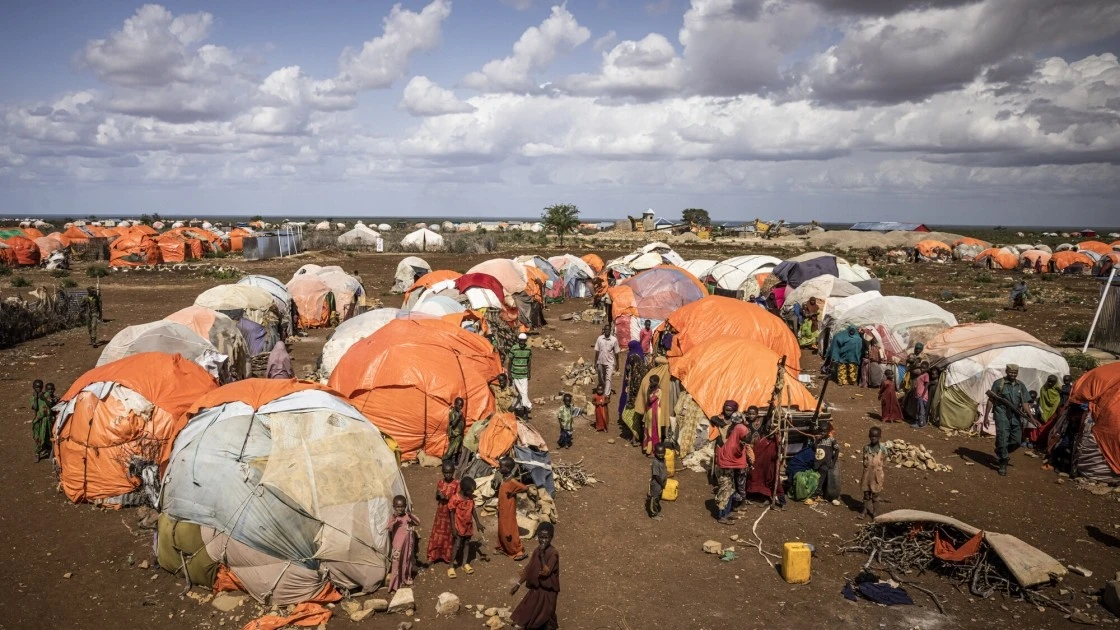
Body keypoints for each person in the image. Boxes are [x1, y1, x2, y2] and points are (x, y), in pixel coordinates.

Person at [510, 522, 560, 630]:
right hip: (537, 589)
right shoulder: (537, 550)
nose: (543, 540)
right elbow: (529, 568)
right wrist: (518, 584)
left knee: (544, 615)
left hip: (548, 591)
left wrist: (542, 555)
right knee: (529, 610)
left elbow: (546, 572)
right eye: (541, 537)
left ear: (551, 537)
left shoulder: (553, 553)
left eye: (546, 538)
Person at [985, 364, 1031, 476]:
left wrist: (1031, 416)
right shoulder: (999, 383)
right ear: (1006, 371)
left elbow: (1025, 402)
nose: (1013, 375)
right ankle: (1003, 461)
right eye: (1011, 372)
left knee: (1017, 440)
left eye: (1015, 373)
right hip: (1001, 413)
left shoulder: (1021, 385)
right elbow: (991, 400)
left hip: (1015, 415)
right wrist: (986, 417)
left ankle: (1000, 450)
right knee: (1003, 436)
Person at [714, 402, 753, 524]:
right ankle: (721, 516)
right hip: (725, 466)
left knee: (731, 489)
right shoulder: (740, 429)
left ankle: (727, 512)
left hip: (726, 465)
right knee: (725, 490)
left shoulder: (735, 431)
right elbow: (748, 438)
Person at [447, 476, 484, 578]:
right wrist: (453, 528)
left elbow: (473, 510)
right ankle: (451, 566)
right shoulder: (456, 498)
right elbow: (451, 513)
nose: (472, 493)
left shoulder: (470, 498)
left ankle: (464, 563)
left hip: (468, 525)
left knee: (467, 543)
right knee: (457, 545)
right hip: (459, 525)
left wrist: (478, 523)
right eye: (470, 491)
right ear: (464, 489)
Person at [494, 456, 530, 561]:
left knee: (510, 530)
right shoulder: (504, 479)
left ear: (508, 469)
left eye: (501, 467)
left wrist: (514, 492)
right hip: (502, 509)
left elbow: (525, 488)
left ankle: (517, 551)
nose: (499, 469)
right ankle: (502, 547)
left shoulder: (512, 482)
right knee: (502, 529)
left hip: (508, 511)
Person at [385, 495, 420, 593]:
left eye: (402, 506)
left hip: (408, 545)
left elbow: (418, 522)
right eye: (397, 507)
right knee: (396, 563)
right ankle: (394, 585)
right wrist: (395, 522)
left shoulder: (408, 516)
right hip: (398, 545)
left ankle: (405, 579)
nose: (400, 509)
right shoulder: (393, 518)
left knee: (407, 561)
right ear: (393, 507)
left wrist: (410, 514)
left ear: (405, 506)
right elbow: (389, 528)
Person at [426, 461, 459, 565]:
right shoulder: (440, 482)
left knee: (448, 535)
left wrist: (446, 497)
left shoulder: (456, 484)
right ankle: (433, 555)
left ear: (453, 472)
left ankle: (447, 556)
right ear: (442, 472)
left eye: (450, 472)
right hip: (440, 513)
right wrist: (438, 495)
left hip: (451, 514)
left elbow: (457, 499)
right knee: (437, 534)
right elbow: (437, 497)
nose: (447, 475)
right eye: (445, 472)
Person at [861, 427, 887, 519]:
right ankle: (864, 511)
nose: (873, 438)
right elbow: (864, 460)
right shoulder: (866, 448)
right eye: (871, 436)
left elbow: (885, 460)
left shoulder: (883, 450)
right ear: (869, 436)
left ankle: (875, 513)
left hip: (877, 475)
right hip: (867, 475)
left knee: (875, 495)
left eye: (876, 436)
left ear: (880, 437)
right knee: (866, 494)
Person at [508, 333, 533, 411]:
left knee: (524, 391)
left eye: (523, 341)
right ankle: (520, 407)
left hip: (524, 374)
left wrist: (529, 373)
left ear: (525, 341)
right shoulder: (514, 348)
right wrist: (509, 374)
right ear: (518, 340)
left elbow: (529, 362)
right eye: (520, 340)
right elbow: (510, 361)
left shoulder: (528, 349)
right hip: (515, 374)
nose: (522, 342)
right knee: (516, 392)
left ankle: (526, 406)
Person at [593, 325, 619, 397]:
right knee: (601, 377)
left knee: (608, 377)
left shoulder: (614, 340)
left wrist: (617, 363)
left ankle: (606, 395)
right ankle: (604, 387)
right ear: (604, 330)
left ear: (610, 330)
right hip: (600, 361)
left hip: (610, 362)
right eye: (606, 329)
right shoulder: (600, 339)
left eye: (608, 329)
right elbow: (597, 351)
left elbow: (616, 352)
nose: (607, 331)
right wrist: (595, 362)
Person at [31, 380, 52, 462]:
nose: (38, 389)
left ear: (42, 387)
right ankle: (37, 453)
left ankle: (49, 451)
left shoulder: (46, 395)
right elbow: (35, 407)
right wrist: (36, 398)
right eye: (36, 387)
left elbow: (50, 404)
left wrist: (44, 398)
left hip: (47, 419)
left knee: (48, 435)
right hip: (38, 420)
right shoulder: (32, 397)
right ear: (33, 388)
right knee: (38, 437)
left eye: (40, 387)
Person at [647, 443, 668, 519]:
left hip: (661, 484)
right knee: (654, 500)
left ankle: (656, 511)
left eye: (662, 453)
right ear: (655, 452)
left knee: (658, 498)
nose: (660, 455)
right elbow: (656, 476)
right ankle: (653, 514)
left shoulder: (663, 459)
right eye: (658, 453)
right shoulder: (656, 463)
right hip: (657, 484)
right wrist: (662, 484)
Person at [644, 375, 662, 454]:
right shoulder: (650, 390)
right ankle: (647, 447)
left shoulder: (658, 391)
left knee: (654, 430)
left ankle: (653, 449)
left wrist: (648, 392)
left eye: (650, 382)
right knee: (649, 429)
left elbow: (650, 400)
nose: (649, 383)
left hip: (655, 413)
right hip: (649, 412)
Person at [446, 397, 465, 464]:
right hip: (455, 435)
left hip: (460, 434)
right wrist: (458, 417)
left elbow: (463, 423)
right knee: (454, 449)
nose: (460, 407)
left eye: (462, 406)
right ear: (455, 404)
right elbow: (453, 424)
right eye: (459, 405)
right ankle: (451, 461)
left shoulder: (461, 414)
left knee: (459, 449)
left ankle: (458, 461)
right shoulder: (452, 413)